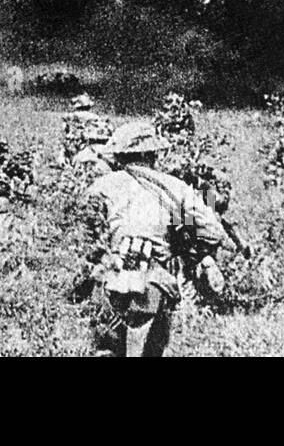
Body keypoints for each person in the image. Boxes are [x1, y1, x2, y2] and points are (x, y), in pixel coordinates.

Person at [77, 121, 226, 357]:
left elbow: (83, 233)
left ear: (119, 155)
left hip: (109, 276)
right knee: (151, 348)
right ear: (151, 153)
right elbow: (211, 232)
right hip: (154, 278)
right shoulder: (175, 188)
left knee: (105, 346)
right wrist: (186, 247)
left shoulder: (101, 186)